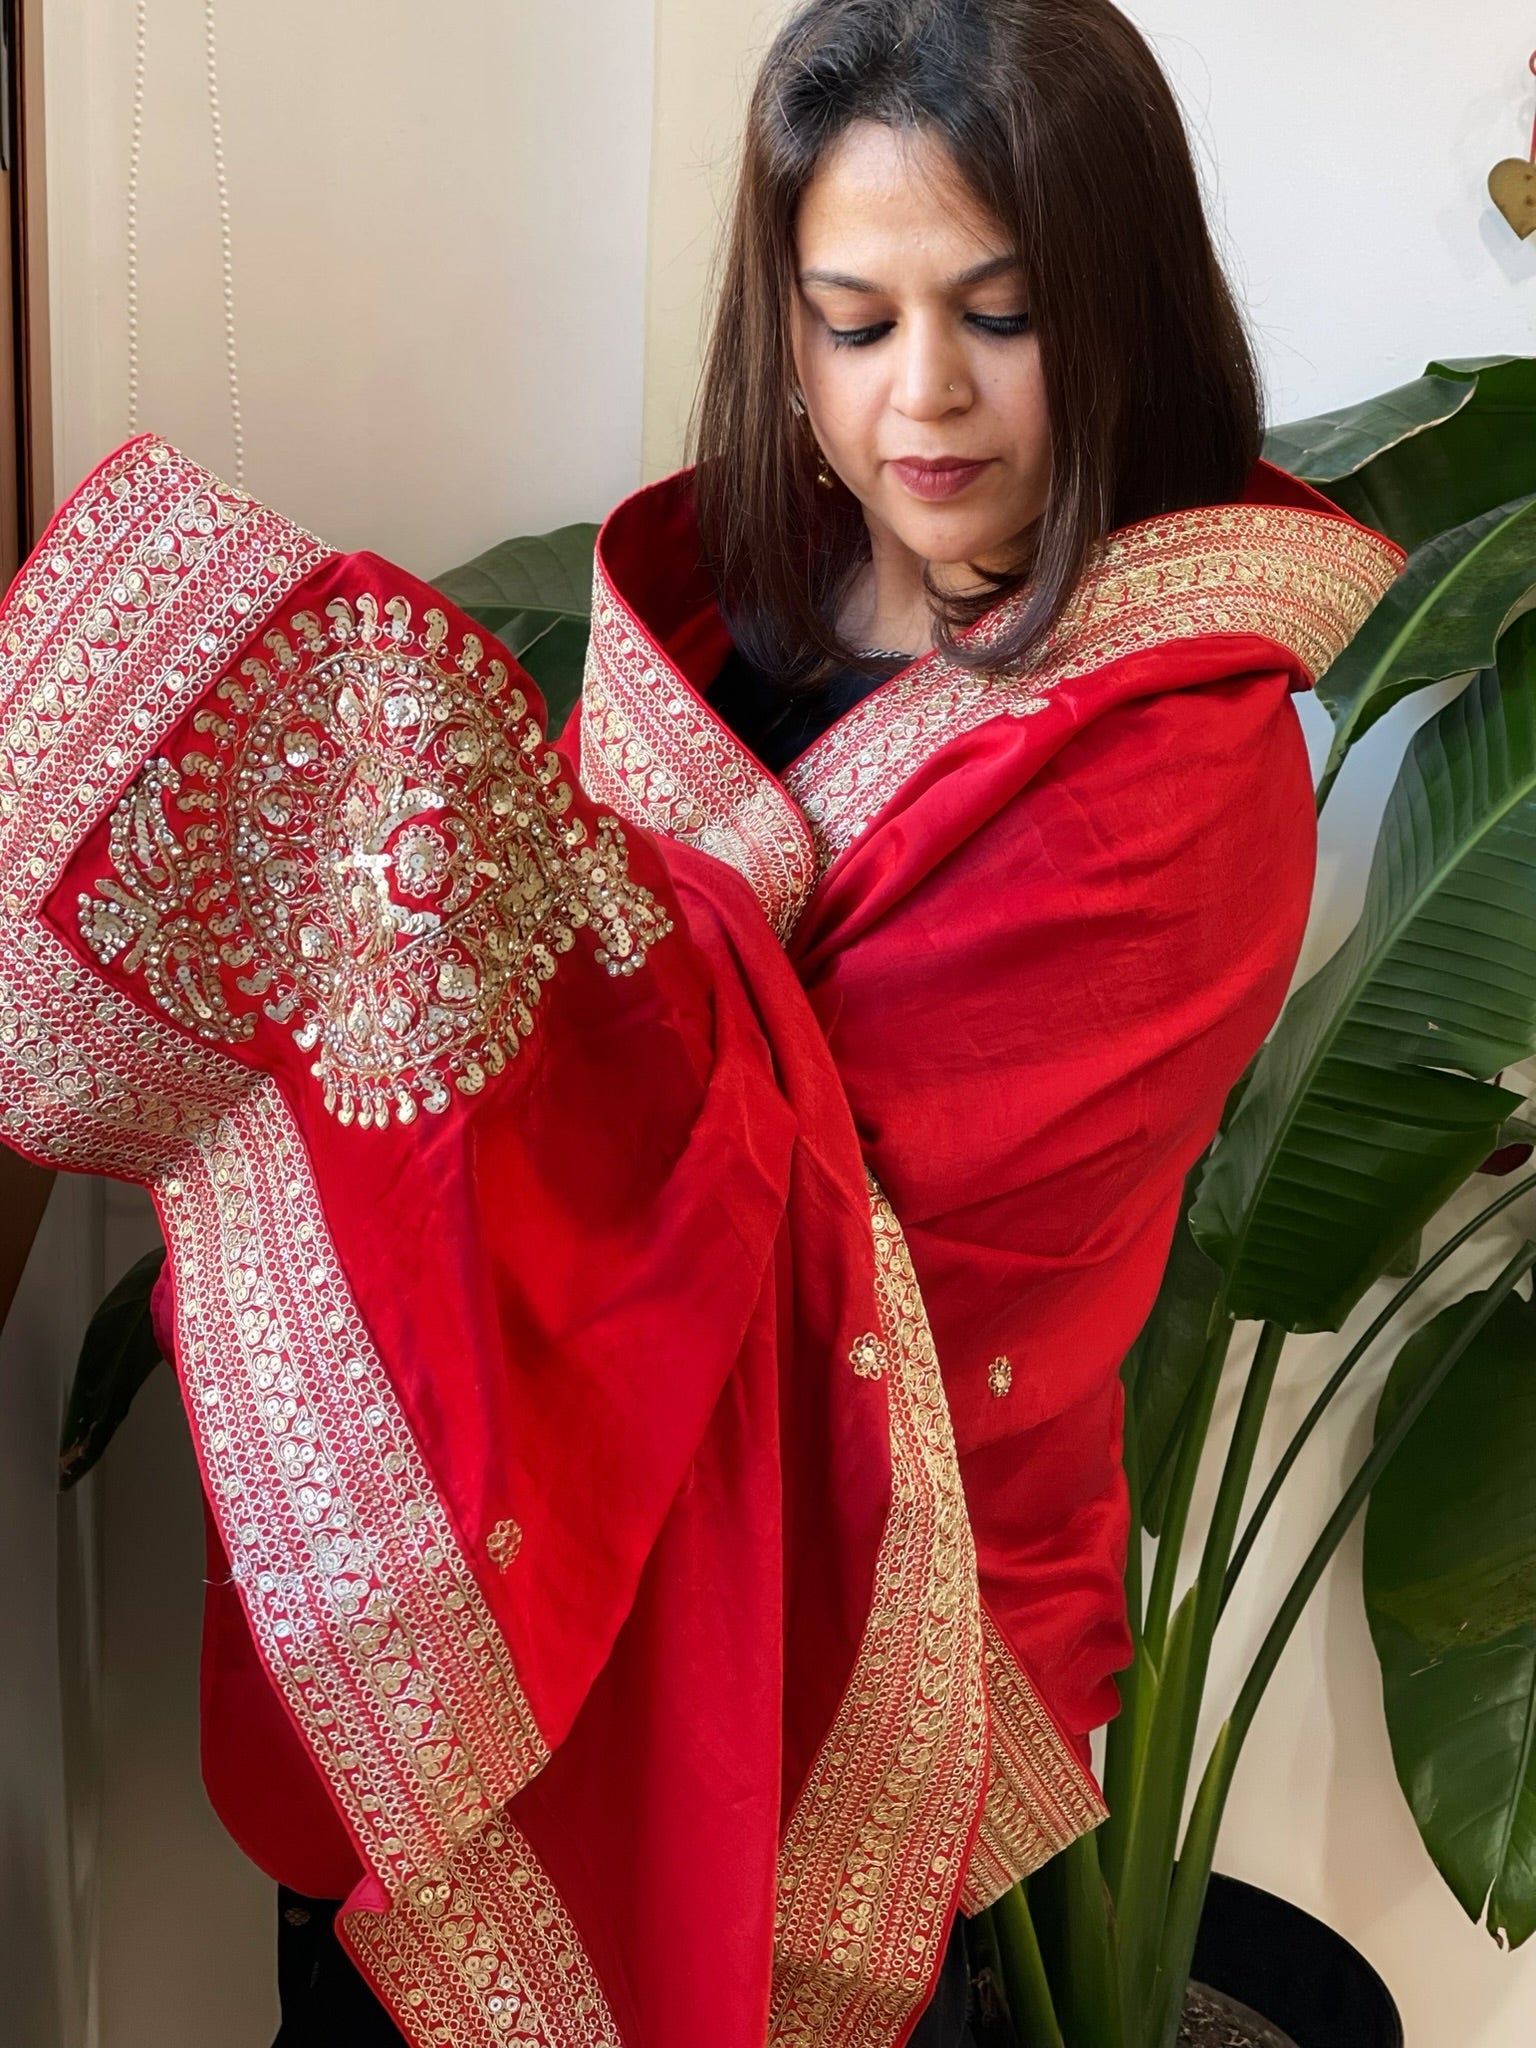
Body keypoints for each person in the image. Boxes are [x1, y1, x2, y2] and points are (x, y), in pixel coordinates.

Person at [0, 2, 1401, 2044]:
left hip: (868, 1622)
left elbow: (798, 1198)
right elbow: (592, 1015)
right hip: (525, 1520)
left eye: (998, 317)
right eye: (853, 318)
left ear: (1121, 317)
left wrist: (386, 812)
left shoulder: (1178, 779)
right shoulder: (754, 591)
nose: (921, 397)